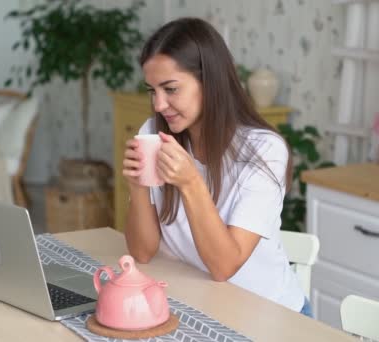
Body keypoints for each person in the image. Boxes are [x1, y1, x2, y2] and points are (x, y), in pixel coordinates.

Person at [122, 17, 311, 317]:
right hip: (202, 304)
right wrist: (138, 184)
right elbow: (142, 252)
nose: (158, 105)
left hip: (270, 316)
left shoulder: (263, 151)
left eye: (170, 89)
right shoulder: (155, 134)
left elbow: (225, 266)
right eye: (152, 90)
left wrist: (190, 183)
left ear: (209, 82)